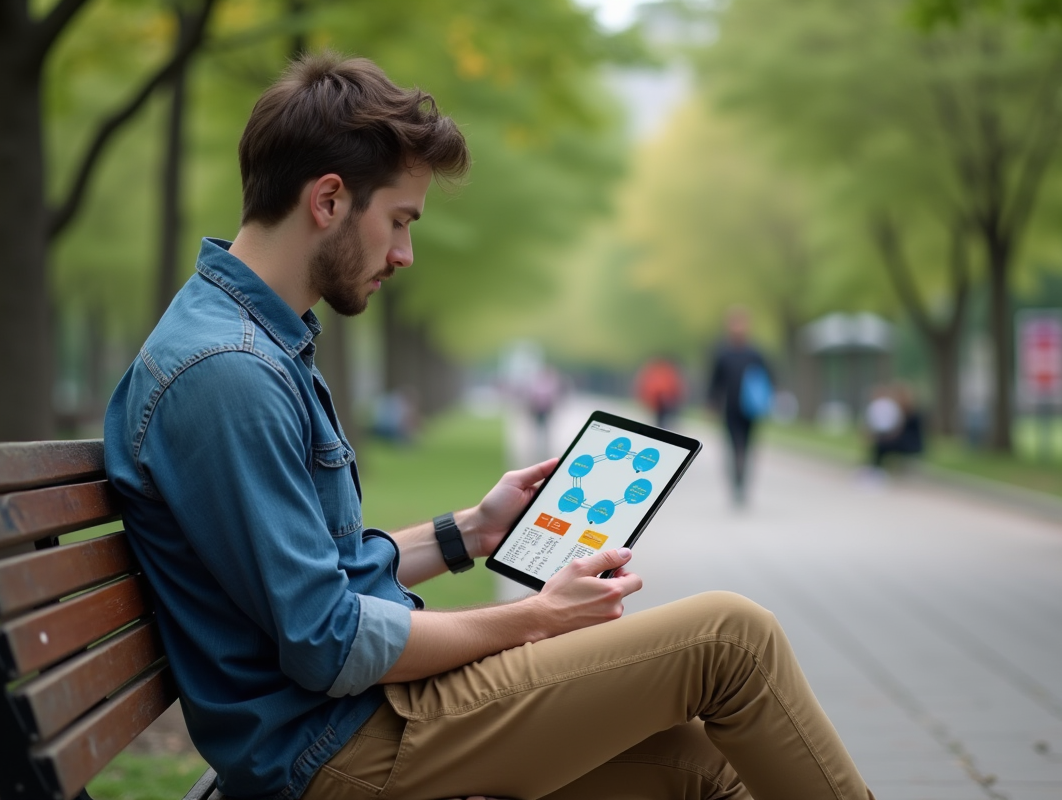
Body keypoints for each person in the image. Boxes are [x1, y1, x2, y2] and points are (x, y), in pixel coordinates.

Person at [105, 53, 875, 800]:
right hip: (339, 751)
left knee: (711, 768)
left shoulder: (253, 341)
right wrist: (534, 618)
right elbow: (326, 640)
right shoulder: (229, 372)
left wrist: (472, 531)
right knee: (732, 639)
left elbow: (322, 574)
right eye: (400, 220)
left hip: (358, 723)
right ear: (329, 200)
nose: (405, 254)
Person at [708, 308, 775, 505]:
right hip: (730, 408)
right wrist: (712, 402)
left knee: (746, 447)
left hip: (751, 409)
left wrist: (769, 400)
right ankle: (735, 482)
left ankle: (743, 483)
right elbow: (715, 380)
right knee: (732, 446)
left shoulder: (755, 353)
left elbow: (768, 378)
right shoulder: (722, 353)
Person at [866, 383, 925, 471]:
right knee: (880, 443)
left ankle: (875, 468)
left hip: (909, 442)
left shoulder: (909, 412)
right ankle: (875, 467)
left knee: (881, 445)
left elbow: (899, 431)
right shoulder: (903, 411)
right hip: (905, 440)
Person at [635, 355, 686, 429]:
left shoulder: (666, 372)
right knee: (661, 421)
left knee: (665, 421)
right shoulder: (664, 372)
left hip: (666, 402)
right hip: (660, 402)